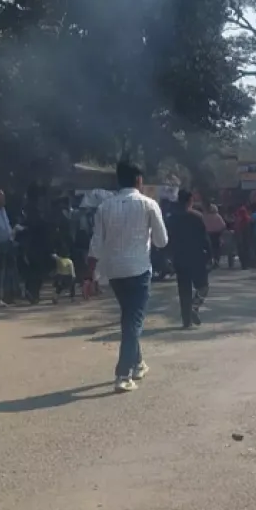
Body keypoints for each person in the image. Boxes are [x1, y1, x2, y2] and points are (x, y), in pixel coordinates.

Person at [87, 161, 169, 393]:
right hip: (139, 270)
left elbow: (96, 243)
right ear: (138, 180)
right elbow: (162, 241)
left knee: (128, 317)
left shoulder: (105, 207)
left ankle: (138, 363)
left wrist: (90, 273)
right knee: (134, 321)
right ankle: (123, 375)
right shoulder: (148, 204)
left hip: (114, 272)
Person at [168, 190, 211, 328]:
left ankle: (186, 322)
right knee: (203, 286)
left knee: (184, 290)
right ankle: (195, 305)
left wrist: (169, 256)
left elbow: (168, 239)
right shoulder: (197, 217)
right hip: (196, 257)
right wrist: (210, 254)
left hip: (179, 257)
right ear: (190, 201)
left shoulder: (171, 218)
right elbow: (205, 239)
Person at [203, 203, 227, 268]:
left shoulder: (205, 216)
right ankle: (216, 261)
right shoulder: (218, 216)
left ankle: (210, 261)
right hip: (217, 234)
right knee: (217, 248)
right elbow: (223, 225)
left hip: (208, 234)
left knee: (210, 248)